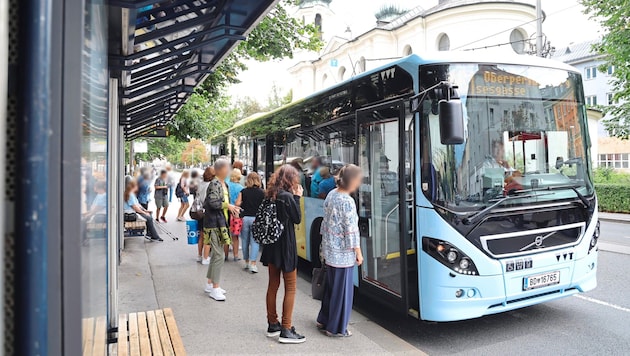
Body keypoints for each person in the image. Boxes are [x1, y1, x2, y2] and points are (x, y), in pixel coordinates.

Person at [317, 164, 363, 337]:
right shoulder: (347, 201)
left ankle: (324, 319)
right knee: (342, 291)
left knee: (331, 288)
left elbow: (325, 222)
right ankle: (336, 327)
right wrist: (358, 251)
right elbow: (351, 229)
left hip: (330, 249)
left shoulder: (331, 194)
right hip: (343, 253)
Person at [261, 165, 306, 344]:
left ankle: (273, 324)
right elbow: (296, 219)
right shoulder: (287, 197)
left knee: (273, 285)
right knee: (291, 287)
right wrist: (297, 197)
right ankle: (286, 329)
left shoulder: (270, 194)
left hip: (271, 245)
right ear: (290, 179)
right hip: (285, 245)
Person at [203, 159, 240, 301]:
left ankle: (210, 284)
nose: (229, 170)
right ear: (220, 170)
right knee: (218, 255)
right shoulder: (215, 183)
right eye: (227, 168)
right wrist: (228, 206)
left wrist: (231, 208)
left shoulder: (225, 184)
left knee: (216, 255)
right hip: (214, 224)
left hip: (220, 223)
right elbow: (212, 202)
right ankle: (215, 287)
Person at [235, 172, 265, 273]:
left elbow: (237, 204)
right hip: (256, 219)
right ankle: (253, 264)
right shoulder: (262, 192)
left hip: (245, 218)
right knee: (255, 241)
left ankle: (246, 262)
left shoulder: (243, 191)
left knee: (245, 241)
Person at [197, 166, 215, 265]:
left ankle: (199, 255)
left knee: (201, 235)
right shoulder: (212, 185)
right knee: (208, 235)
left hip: (200, 212)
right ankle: (205, 257)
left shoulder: (201, 184)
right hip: (209, 212)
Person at [226, 168, 244, 261]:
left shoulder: (226, 185)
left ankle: (225, 255)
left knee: (226, 233)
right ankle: (236, 255)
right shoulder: (241, 188)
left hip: (226, 211)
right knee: (235, 235)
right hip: (236, 213)